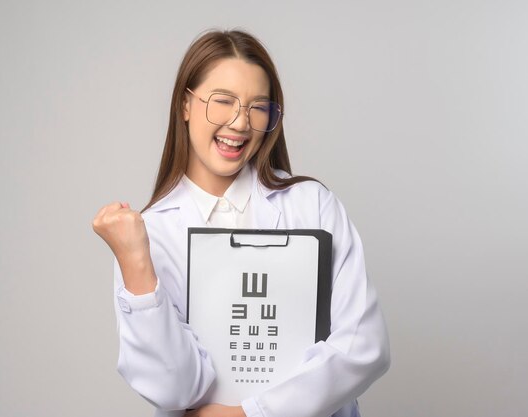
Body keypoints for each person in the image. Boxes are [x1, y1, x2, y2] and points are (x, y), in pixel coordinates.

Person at [92, 29, 390, 417]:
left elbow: (363, 345)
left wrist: (251, 414)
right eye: (223, 101)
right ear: (185, 104)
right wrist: (136, 264)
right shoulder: (149, 233)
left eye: (257, 107)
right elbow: (174, 388)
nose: (239, 122)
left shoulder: (311, 205)